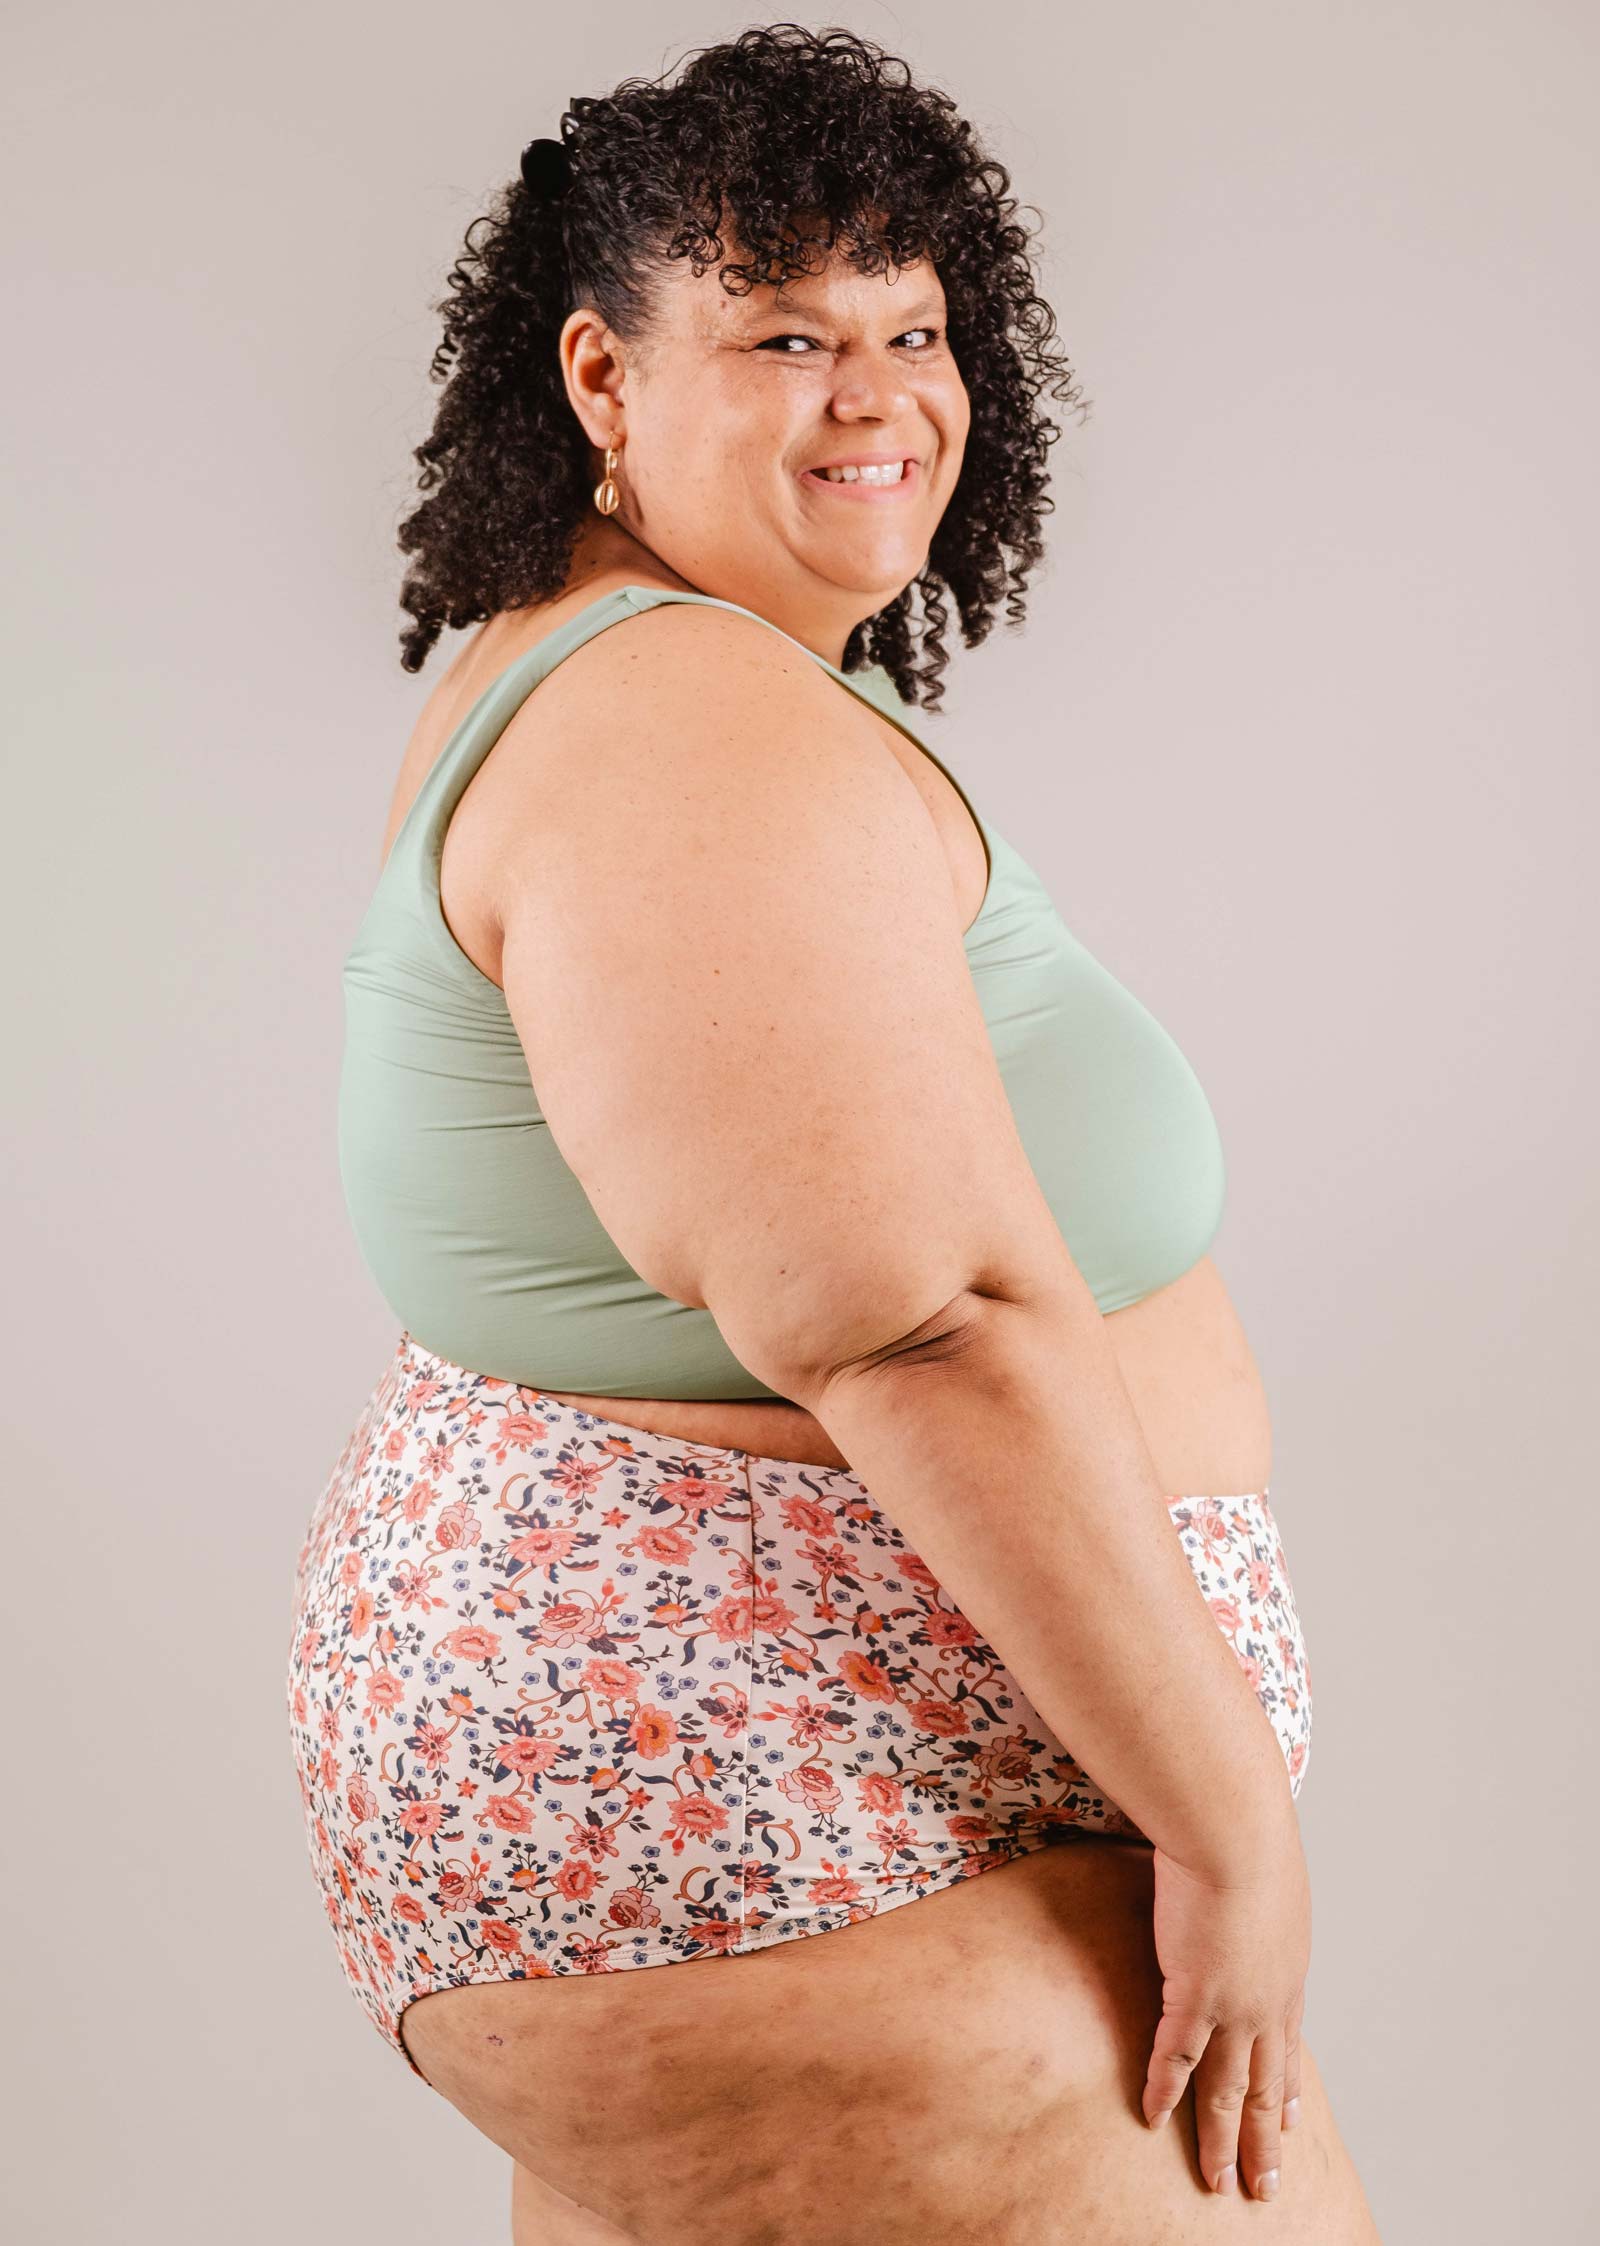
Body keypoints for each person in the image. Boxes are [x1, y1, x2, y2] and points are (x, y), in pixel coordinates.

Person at [285, 25, 1382, 2244]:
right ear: (601, 379)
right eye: (785, 335)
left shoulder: (672, 672)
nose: (876, 397)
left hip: (784, 1808)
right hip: (766, 1824)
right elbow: (916, 1329)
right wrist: (1226, 1825)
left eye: (910, 328)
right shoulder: (679, 722)